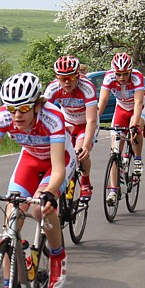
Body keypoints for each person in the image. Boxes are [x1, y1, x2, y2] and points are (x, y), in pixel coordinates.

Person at [0, 72, 75, 288]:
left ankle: (57, 255)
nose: (17, 115)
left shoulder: (52, 118)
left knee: (39, 208)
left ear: (36, 105)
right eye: (12, 108)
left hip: (57, 161)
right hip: (31, 160)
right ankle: (8, 287)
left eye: (23, 109)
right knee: (11, 223)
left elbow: (59, 167)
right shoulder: (4, 117)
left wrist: (51, 192)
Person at [44, 55, 98, 200]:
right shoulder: (52, 88)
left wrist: (86, 146)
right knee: (60, 154)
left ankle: (86, 183)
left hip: (85, 124)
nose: (67, 82)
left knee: (79, 152)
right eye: (62, 78)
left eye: (70, 78)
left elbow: (91, 119)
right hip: (68, 122)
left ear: (77, 76)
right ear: (57, 78)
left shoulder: (87, 87)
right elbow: (43, 116)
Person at [97, 51, 145, 206]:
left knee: (135, 128)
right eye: (119, 74)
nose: (122, 77)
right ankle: (113, 189)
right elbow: (103, 100)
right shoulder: (109, 77)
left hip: (137, 107)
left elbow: (139, 103)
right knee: (115, 150)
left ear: (130, 71)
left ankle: (137, 159)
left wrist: (134, 124)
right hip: (121, 108)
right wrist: (94, 121)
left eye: (125, 74)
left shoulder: (137, 77)